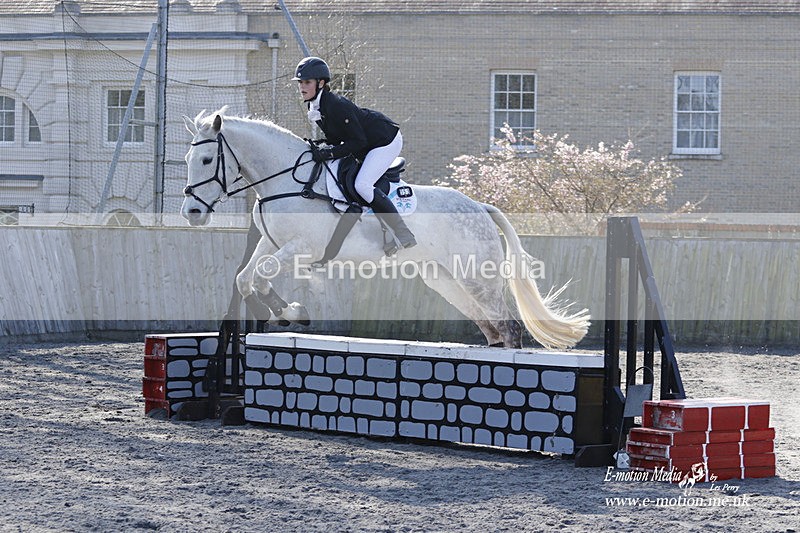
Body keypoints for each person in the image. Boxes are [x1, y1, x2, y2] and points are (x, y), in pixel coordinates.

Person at [292, 56, 416, 255]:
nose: (302, 87)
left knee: (362, 185)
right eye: (300, 82)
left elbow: (358, 141)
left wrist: (328, 153)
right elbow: (337, 137)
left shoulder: (337, 105)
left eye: (307, 82)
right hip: (366, 142)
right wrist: (321, 145)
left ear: (321, 83)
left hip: (385, 140)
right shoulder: (315, 106)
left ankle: (403, 233)